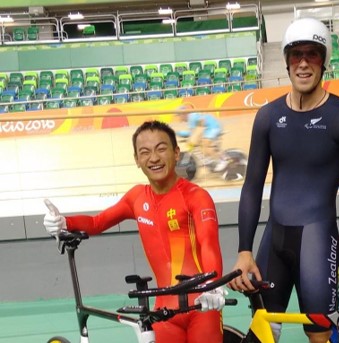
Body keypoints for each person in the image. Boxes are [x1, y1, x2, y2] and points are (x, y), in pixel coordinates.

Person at [228, 17, 339, 343]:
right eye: (297, 55)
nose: (304, 63)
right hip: (273, 240)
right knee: (264, 326)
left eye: (313, 55)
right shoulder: (268, 117)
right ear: (287, 60)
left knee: (319, 333)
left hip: (317, 240)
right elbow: (252, 186)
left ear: (324, 62)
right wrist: (244, 250)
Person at [43, 120, 228, 343]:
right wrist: (63, 221)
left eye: (161, 149)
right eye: (145, 152)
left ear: (176, 153)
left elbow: (208, 242)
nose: (154, 158)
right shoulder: (137, 198)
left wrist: (213, 286)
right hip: (163, 309)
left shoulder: (196, 196)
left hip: (202, 304)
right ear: (137, 160)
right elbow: (96, 222)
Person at [175, 103, 226, 170]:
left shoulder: (192, 117)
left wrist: (179, 133)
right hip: (208, 129)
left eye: (178, 116)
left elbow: (194, 132)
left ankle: (222, 161)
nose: (179, 118)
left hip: (213, 128)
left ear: (183, 114)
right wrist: (178, 133)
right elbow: (192, 132)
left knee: (206, 145)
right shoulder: (191, 118)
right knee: (199, 144)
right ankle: (210, 161)